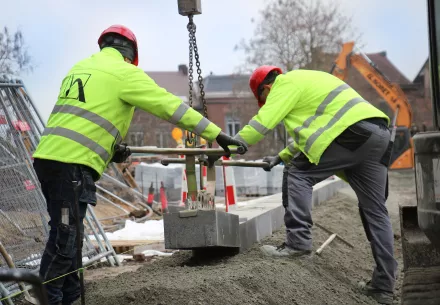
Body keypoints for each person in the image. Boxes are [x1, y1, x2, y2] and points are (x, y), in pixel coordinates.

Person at [32, 24, 246, 305]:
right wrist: (216, 134)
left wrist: (112, 149)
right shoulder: (125, 73)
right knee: (65, 240)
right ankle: (46, 300)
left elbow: (82, 123)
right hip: (70, 166)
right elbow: (171, 106)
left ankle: (71, 298)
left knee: (71, 237)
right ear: (131, 54)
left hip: (49, 160)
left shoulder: (80, 69)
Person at [228, 65, 397, 304]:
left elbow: (263, 123)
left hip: (351, 134)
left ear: (266, 88)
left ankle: (297, 243)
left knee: (298, 172)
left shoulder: (284, 84)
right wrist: (281, 156)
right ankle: (383, 287)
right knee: (376, 212)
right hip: (378, 135)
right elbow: (317, 133)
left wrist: (231, 145)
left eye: (264, 99)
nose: (267, 103)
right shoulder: (308, 82)